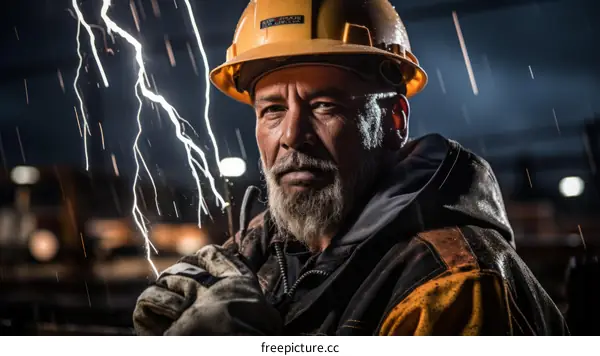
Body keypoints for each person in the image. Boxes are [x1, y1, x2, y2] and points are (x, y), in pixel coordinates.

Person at [132, 0, 569, 335]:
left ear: (393, 122)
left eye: (324, 105)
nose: (291, 135)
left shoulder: (454, 283)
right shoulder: (268, 250)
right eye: (272, 110)